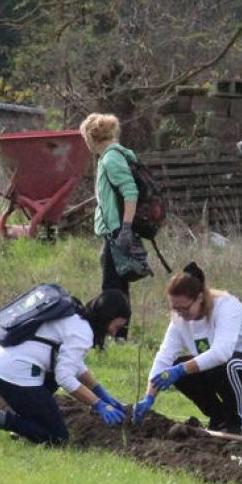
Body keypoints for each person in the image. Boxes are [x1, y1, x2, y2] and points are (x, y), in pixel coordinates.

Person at [132, 263, 242, 434]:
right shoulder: (179, 320)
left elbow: (221, 353)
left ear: (200, 298)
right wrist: (149, 397)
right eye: (175, 308)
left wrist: (180, 369)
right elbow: (164, 358)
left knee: (224, 364)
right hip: (223, 371)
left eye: (184, 308)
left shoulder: (227, 306)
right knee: (178, 366)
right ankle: (219, 419)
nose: (180, 314)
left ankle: (236, 425)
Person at [0, 289, 131, 447]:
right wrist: (98, 403)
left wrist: (101, 392)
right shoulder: (83, 333)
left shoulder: (74, 315)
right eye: (116, 327)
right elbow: (64, 378)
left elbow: (73, 364)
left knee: (53, 379)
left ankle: (27, 426)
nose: (113, 333)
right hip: (9, 370)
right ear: (107, 317)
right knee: (57, 437)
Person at [80, 112, 145, 341]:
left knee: (111, 289)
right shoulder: (117, 155)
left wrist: (125, 228)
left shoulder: (111, 158)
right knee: (120, 286)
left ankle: (106, 336)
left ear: (91, 137)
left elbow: (130, 191)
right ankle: (120, 336)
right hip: (115, 230)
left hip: (118, 231)